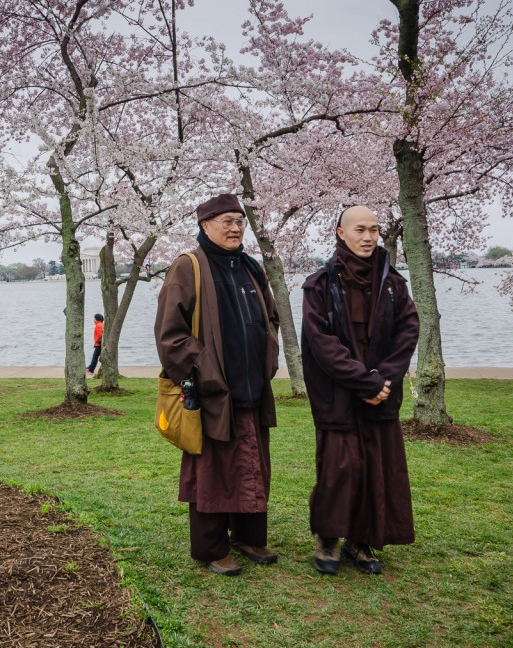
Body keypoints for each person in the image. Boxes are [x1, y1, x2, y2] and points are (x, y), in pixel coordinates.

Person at [154, 192, 281, 576]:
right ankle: (211, 547)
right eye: (226, 221)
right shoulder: (188, 267)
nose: (236, 227)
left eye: (240, 221)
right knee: (211, 472)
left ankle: (248, 536)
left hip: (253, 389)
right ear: (204, 225)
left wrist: (268, 356)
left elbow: (270, 318)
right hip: (212, 392)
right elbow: (170, 334)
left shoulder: (250, 268)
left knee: (252, 464)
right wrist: (207, 371)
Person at [300, 205, 420, 576]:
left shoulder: (394, 284)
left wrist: (382, 381)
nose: (368, 237)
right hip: (338, 393)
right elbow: (320, 342)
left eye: (374, 230)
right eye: (360, 230)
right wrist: (362, 381)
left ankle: (362, 539)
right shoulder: (319, 284)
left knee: (376, 467)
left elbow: (407, 332)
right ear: (341, 232)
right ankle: (328, 538)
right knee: (339, 468)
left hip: (380, 393)